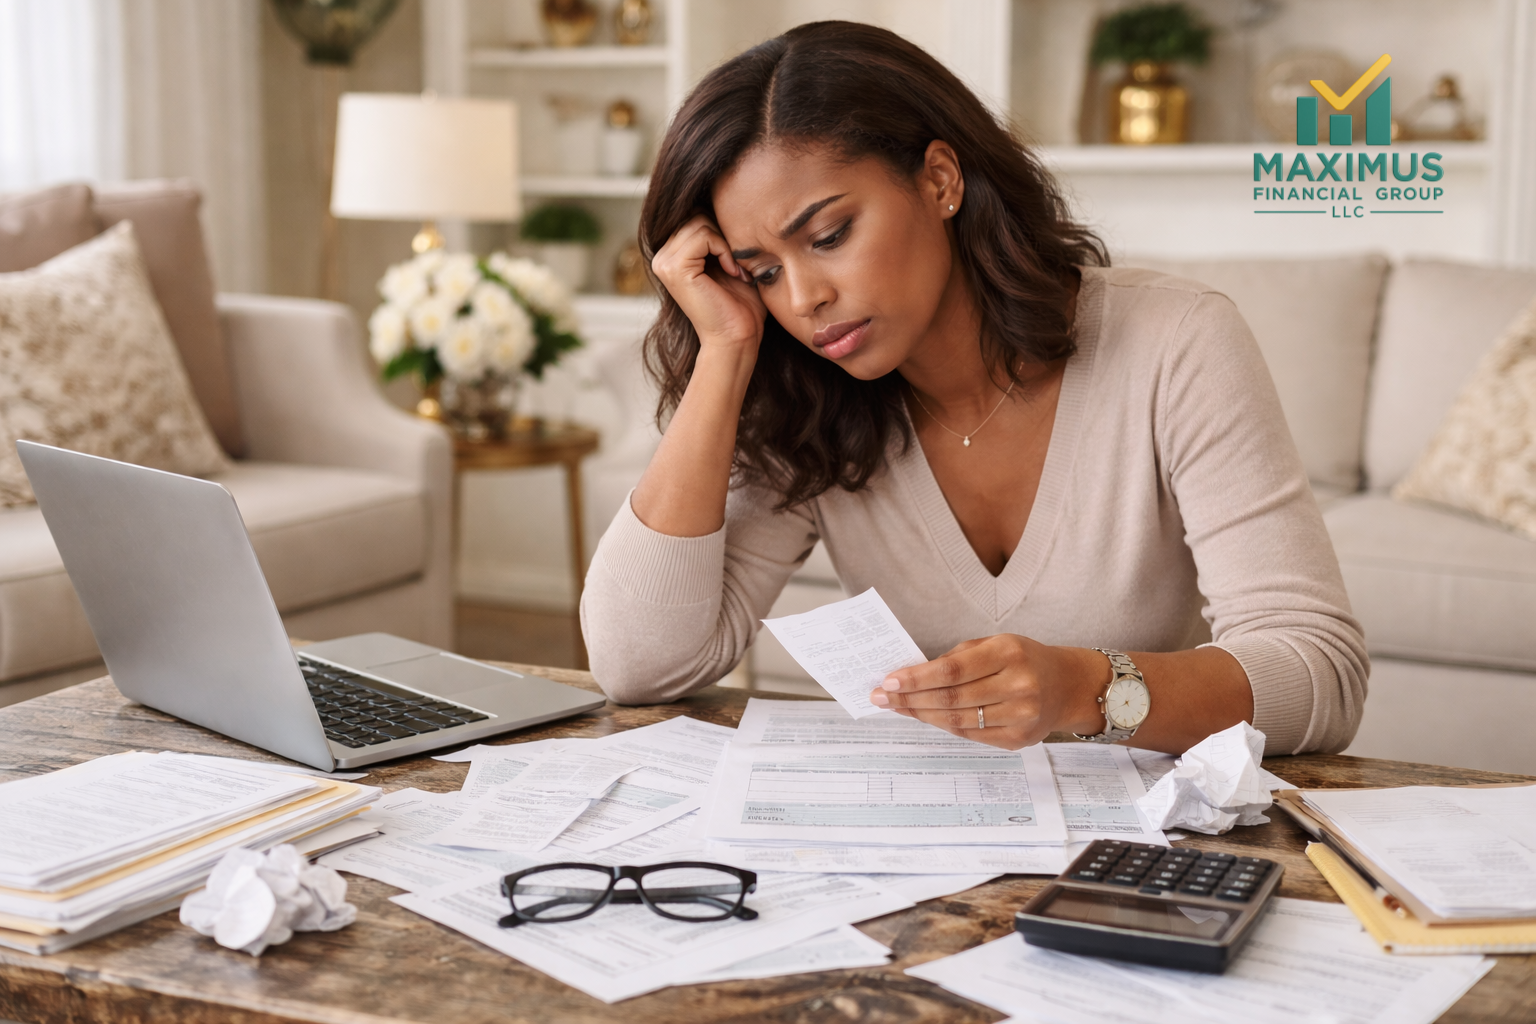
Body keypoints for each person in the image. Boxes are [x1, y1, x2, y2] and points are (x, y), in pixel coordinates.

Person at [580, 21, 1367, 755]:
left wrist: (1084, 687)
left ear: (940, 180)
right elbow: (638, 667)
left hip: (1149, 837)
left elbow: (1320, 674)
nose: (803, 299)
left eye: (828, 236)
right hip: (926, 840)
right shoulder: (814, 400)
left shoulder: (1175, 341)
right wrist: (726, 349)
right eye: (761, 273)